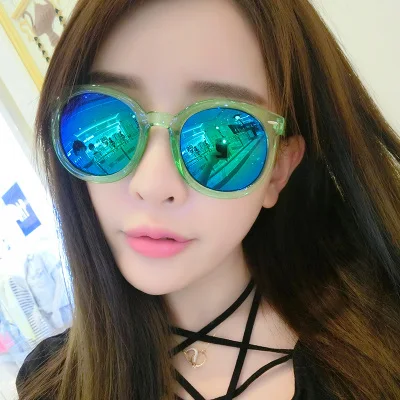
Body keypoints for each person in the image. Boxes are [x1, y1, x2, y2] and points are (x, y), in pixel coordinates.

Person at [15, 0, 400, 399]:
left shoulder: (381, 342)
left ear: (279, 169)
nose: (152, 184)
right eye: (102, 126)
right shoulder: (49, 386)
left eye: (222, 138)